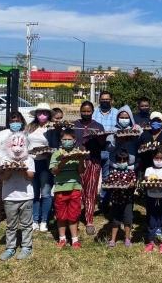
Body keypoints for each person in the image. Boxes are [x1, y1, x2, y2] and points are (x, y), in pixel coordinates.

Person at [0, 131, 35, 261]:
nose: (18, 149)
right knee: (11, 224)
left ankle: (26, 246)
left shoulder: (29, 160)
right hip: (10, 197)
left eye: (21, 146)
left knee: (26, 224)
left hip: (26, 196)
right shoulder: (5, 160)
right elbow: (2, 177)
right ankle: (10, 248)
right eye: (14, 145)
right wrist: (9, 170)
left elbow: (30, 177)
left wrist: (22, 171)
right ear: (9, 146)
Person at [73, 101, 106, 235]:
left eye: (88, 111)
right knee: (77, 191)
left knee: (91, 190)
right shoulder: (74, 125)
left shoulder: (98, 126)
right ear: (80, 111)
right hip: (77, 161)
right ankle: (74, 219)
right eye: (83, 111)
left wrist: (99, 137)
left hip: (93, 160)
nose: (86, 113)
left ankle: (89, 219)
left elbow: (103, 145)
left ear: (93, 112)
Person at [50, 128, 86, 249]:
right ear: (60, 141)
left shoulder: (78, 153)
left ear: (74, 140)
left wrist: (81, 161)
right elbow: (53, 171)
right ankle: (62, 238)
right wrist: (62, 162)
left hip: (75, 187)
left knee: (73, 214)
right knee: (61, 215)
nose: (67, 141)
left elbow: (81, 171)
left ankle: (75, 239)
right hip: (60, 188)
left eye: (69, 139)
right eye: (64, 139)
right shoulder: (56, 154)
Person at [0, 111, 27, 226]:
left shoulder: (25, 135)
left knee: (19, 190)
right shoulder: (2, 134)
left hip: (20, 167)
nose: (15, 123)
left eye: (17, 121)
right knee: (2, 190)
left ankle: (19, 213)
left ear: (21, 122)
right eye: (12, 121)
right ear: (9, 123)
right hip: (4, 167)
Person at [27, 103, 56, 233]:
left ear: (49, 114)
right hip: (32, 163)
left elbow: (55, 146)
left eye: (45, 113)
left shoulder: (52, 128)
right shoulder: (30, 127)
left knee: (45, 193)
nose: (42, 115)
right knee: (34, 193)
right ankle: (34, 220)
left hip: (45, 162)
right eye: (39, 113)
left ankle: (44, 220)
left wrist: (48, 152)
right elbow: (25, 143)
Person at [93, 91, 119, 211]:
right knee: (93, 176)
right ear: (99, 100)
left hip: (111, 149)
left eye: (107, 99)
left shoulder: (117, 113)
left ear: (111, 100)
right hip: (96, 148)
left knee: (107, 177)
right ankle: (91, 201)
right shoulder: (93, 113)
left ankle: (104, 202)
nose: (105, 101)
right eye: (102, 99)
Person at [106, 151, 137, 247]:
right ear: (116, 162)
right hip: (116, 200)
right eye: (120, 161)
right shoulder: (113, 173)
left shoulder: (131, 173)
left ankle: (127, 238)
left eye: (124, 161)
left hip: (127, 200)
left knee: (127, 220)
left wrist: (132, 185)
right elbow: (108, 184)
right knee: (115, 220)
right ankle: (113, 239)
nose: (122, 163)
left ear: (127, 161)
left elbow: (134, 184)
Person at [143, 148, 162, 253]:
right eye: (157, 158)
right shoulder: (149, 170)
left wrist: (160, 183)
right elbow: (148, 186)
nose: (159, 160)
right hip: (151, 199)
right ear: (153, 158)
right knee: (152, 221)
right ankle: (151, 242)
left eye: (161, 158)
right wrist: (152, 184)